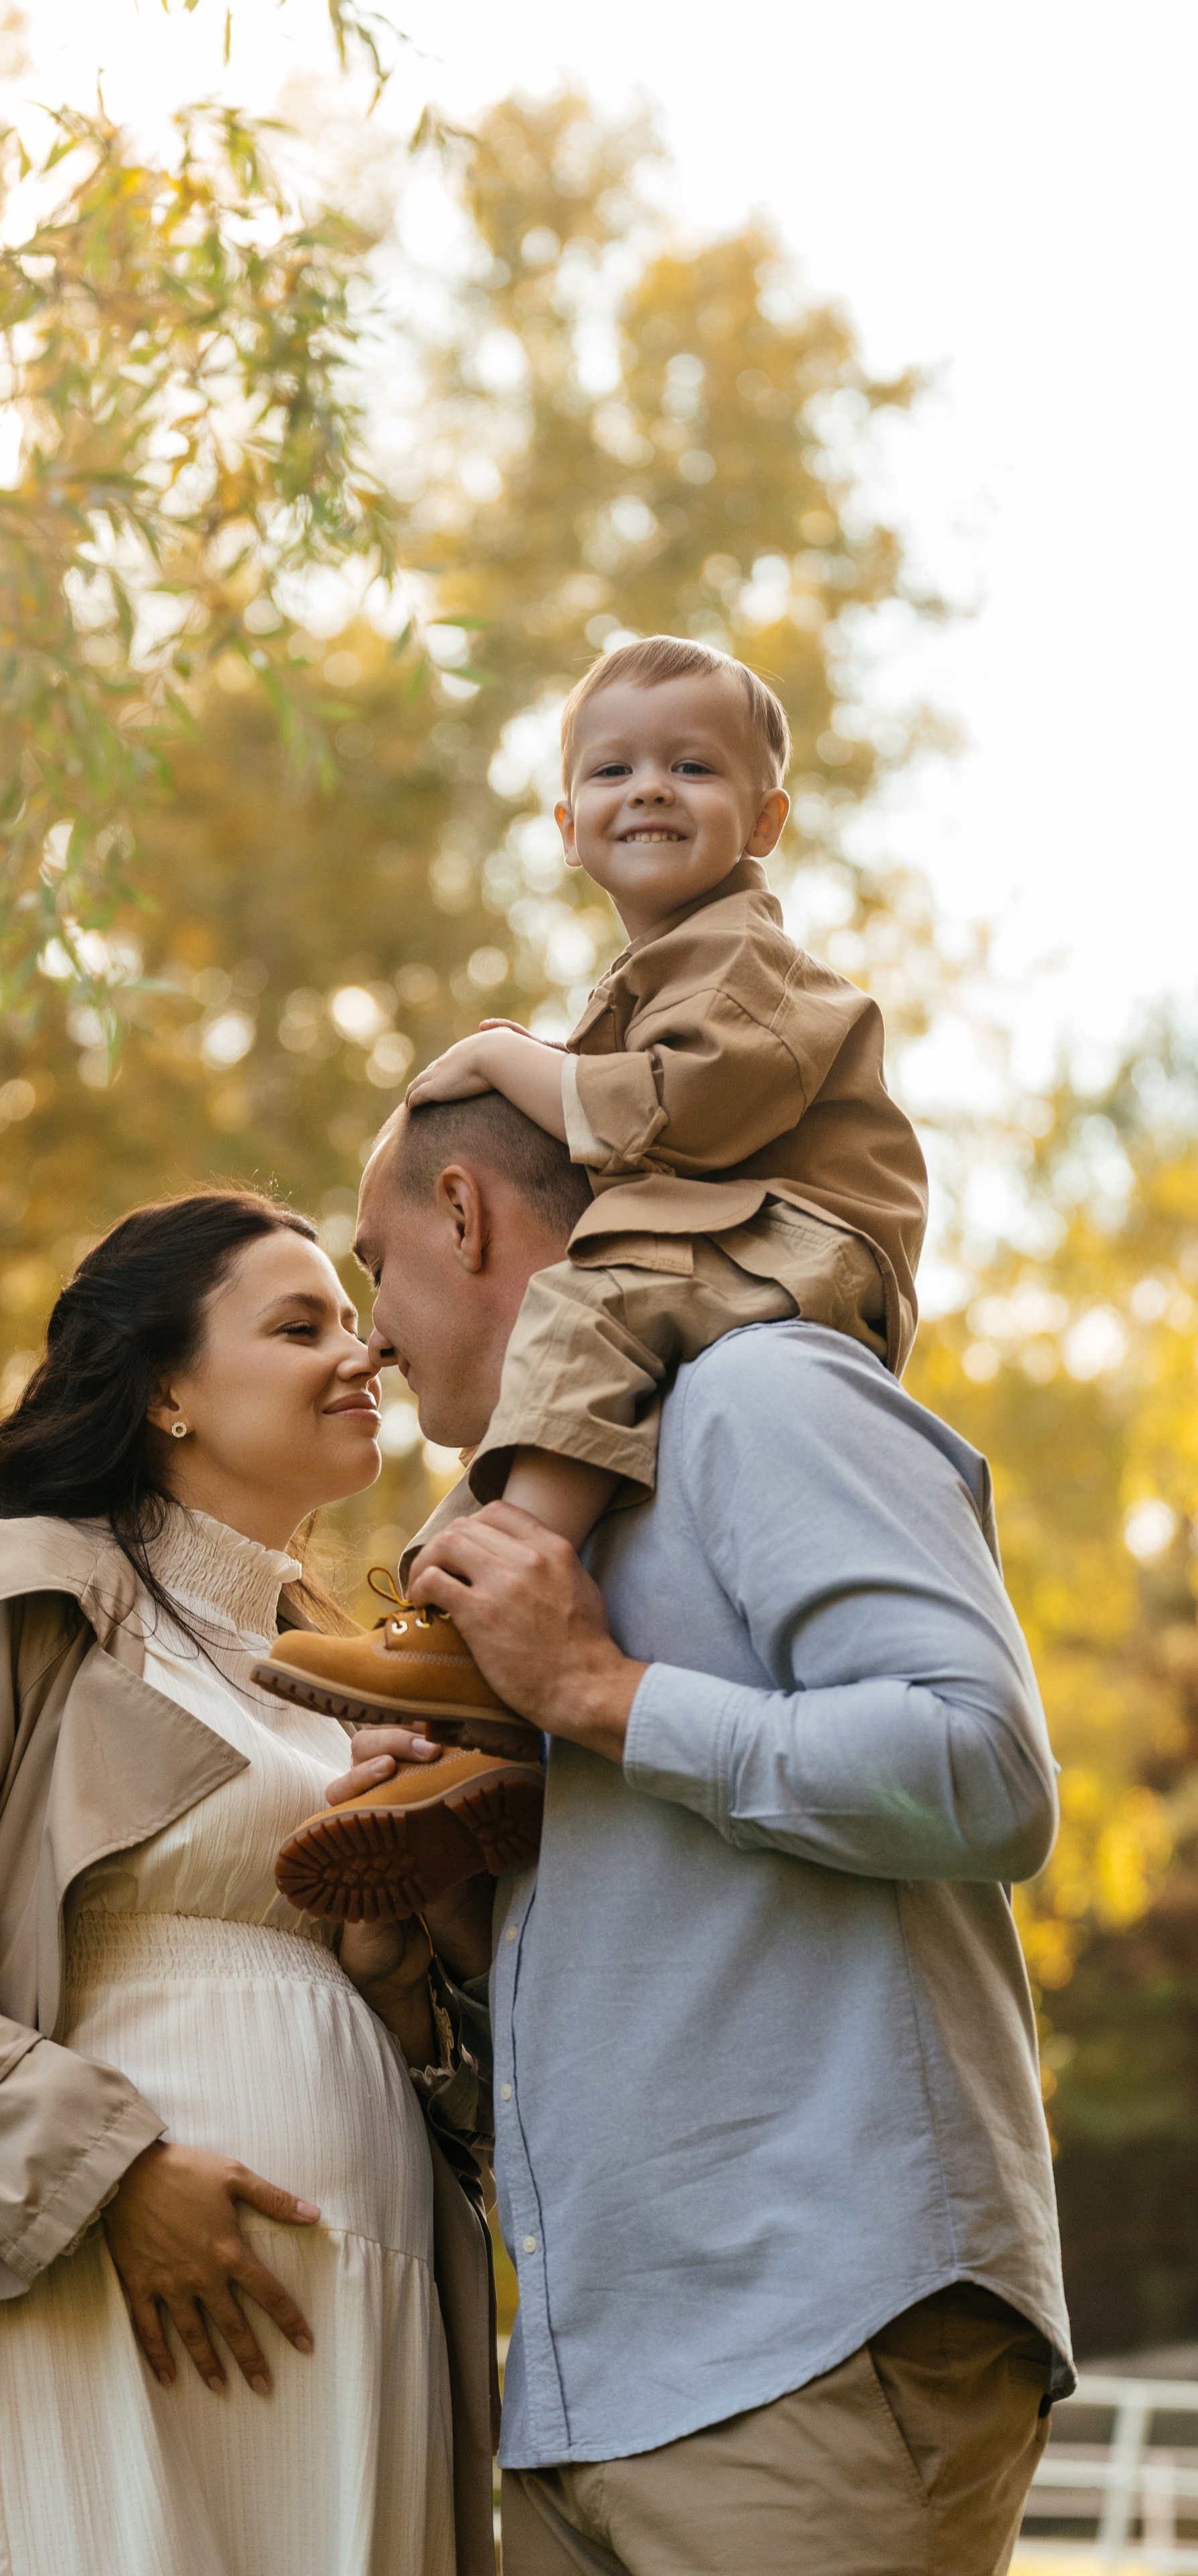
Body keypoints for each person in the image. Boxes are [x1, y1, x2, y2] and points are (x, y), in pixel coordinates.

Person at [332, 1092, 1072, 2575]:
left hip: (819, 2361)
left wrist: (604, 1696)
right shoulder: (526, 1550)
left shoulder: (762, 1394)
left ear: (465, 1212)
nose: (365, 1337)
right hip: (577, 2411)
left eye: (372, 1265)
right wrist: (431, 1924)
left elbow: (987, 1769)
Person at [0, 1191, 498, 2576]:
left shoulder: (351, 1678)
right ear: (165, 1393)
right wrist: (111, 2175)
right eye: (296, 1325)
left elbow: (448, 2060)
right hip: (100, 2281)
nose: (361, 1353)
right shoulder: (22, 1592)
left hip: (362, 2300)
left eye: (351, 1318)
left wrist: (392, 1959)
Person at [261, 636, 927, 1757]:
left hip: (814, 1239)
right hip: (740, 1235)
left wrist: (517, 1062)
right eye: (613, 770)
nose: (652, 788)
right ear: (568, 829)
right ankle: (454, 1680)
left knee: (588, 1302)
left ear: (765, 823)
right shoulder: (655, 975)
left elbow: (694, 1107)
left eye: (694, 768)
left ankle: (500, 1596)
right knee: (570, 1378)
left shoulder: (745, 957)